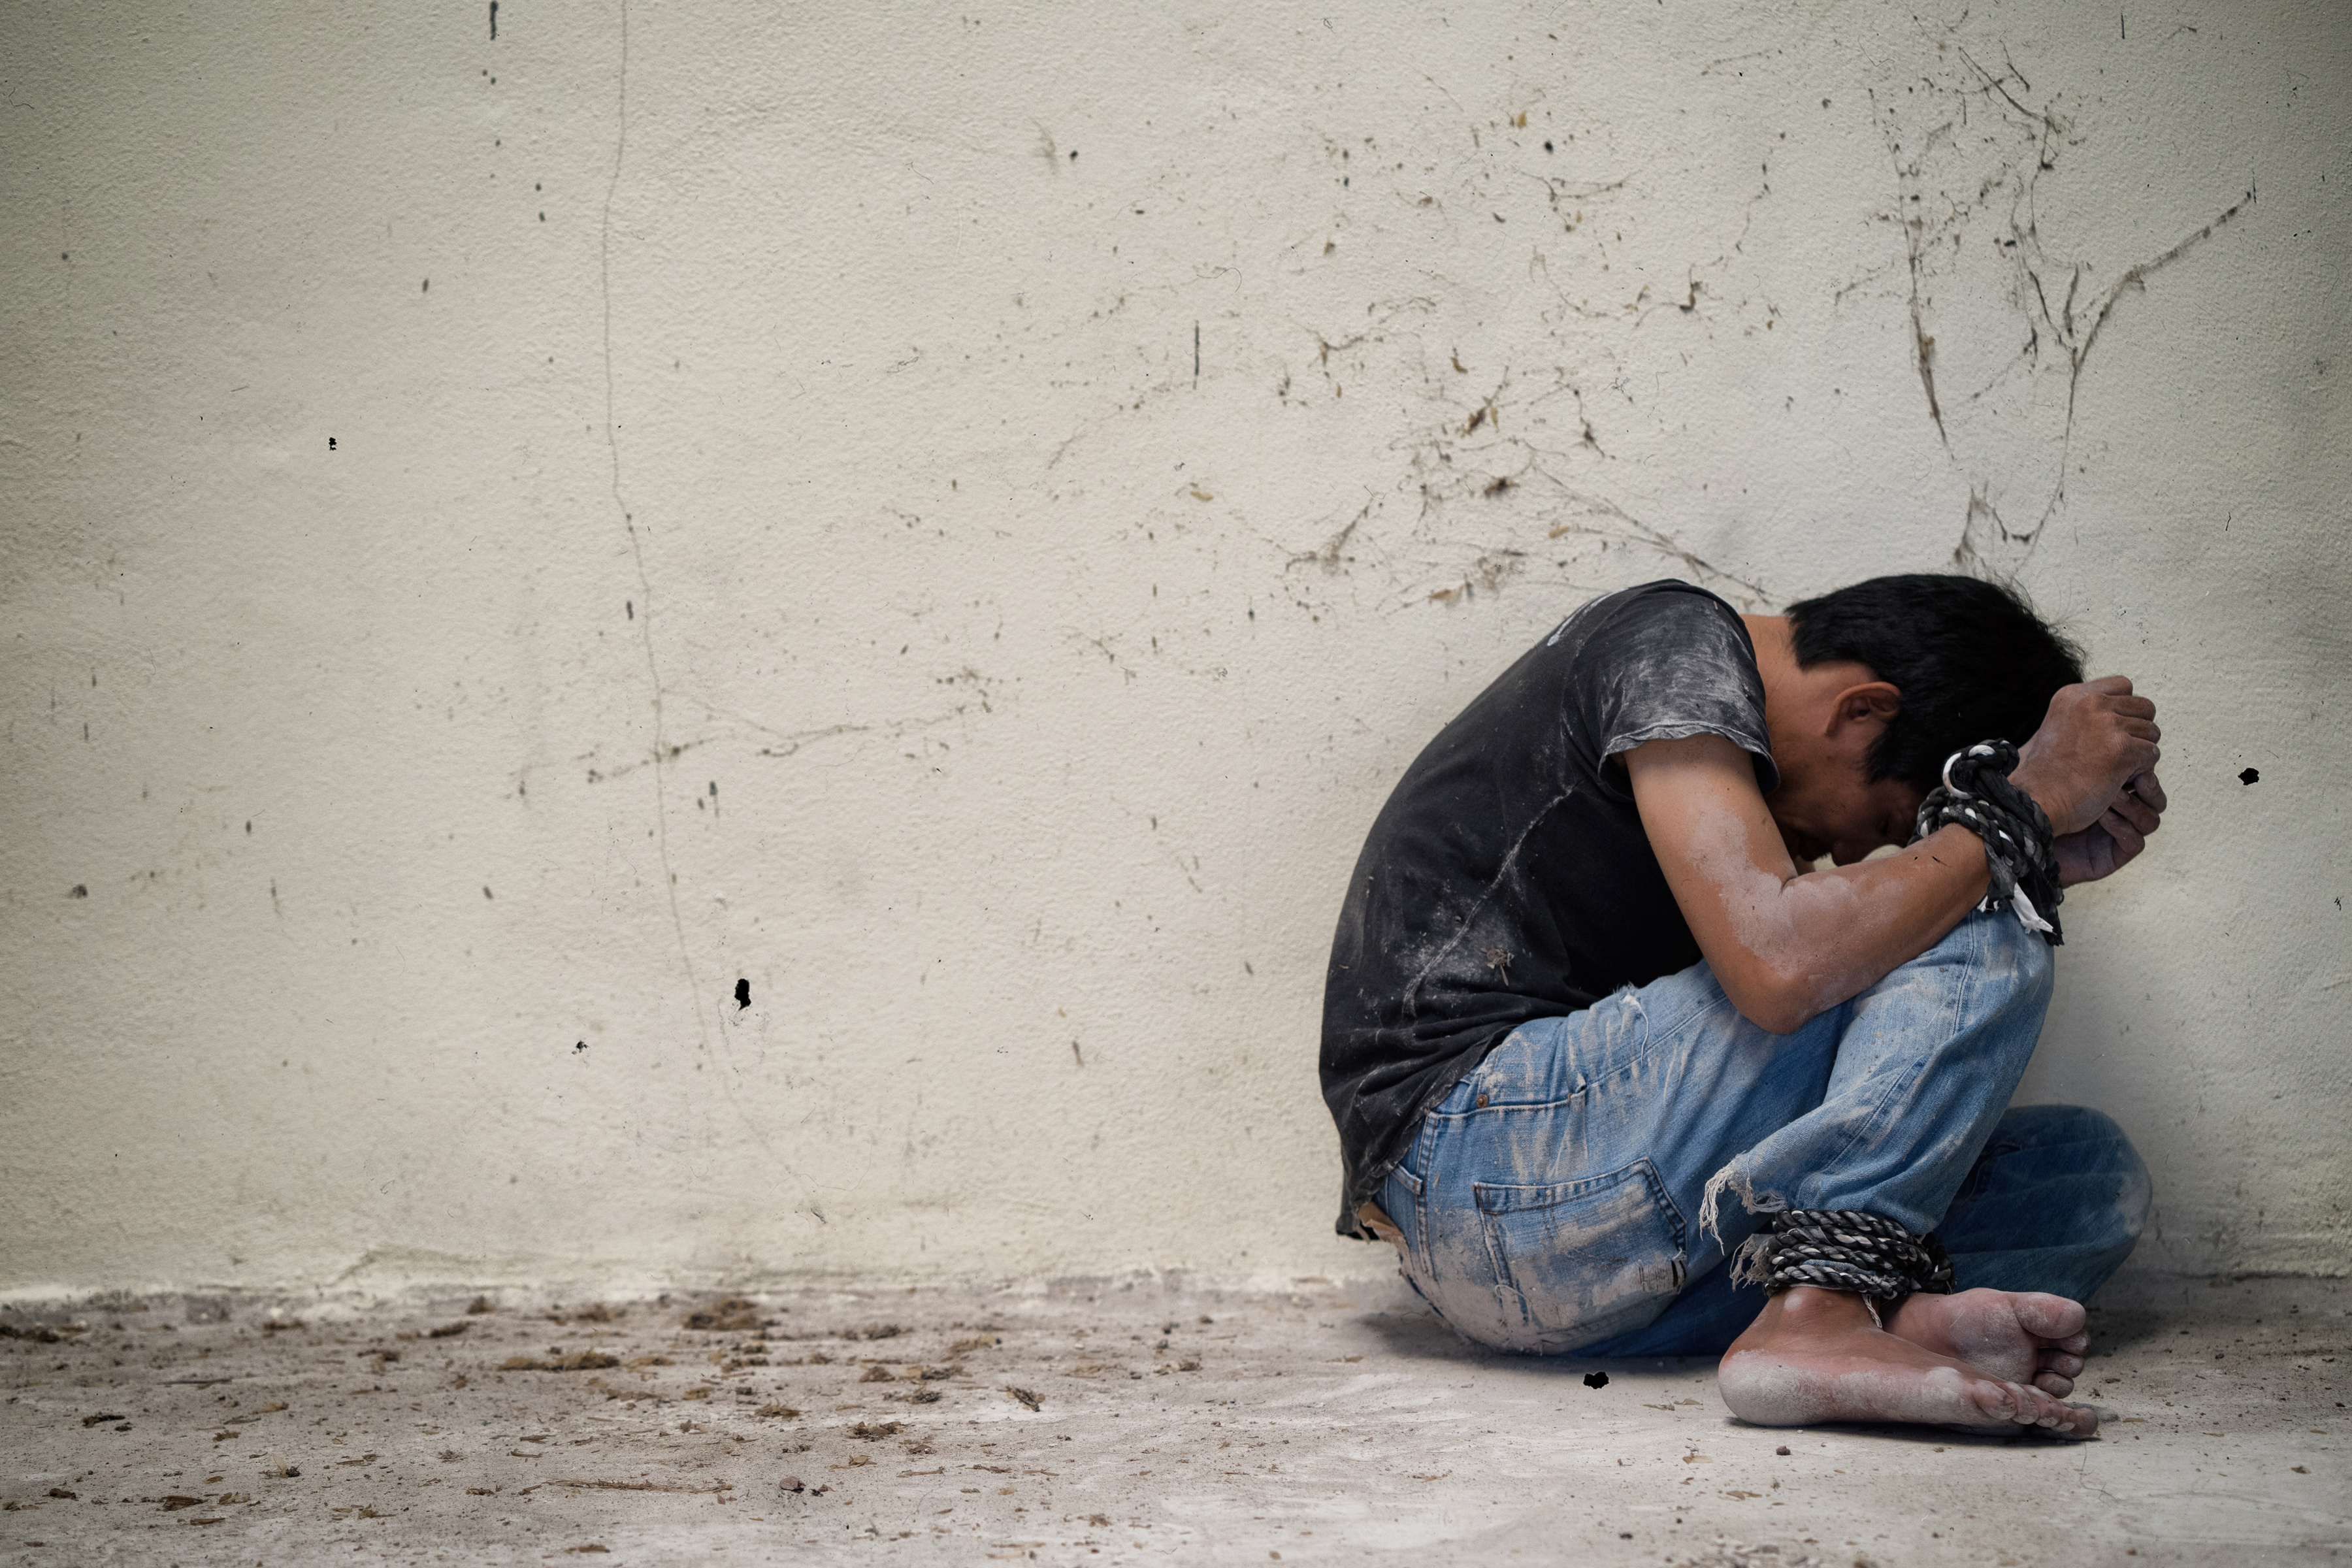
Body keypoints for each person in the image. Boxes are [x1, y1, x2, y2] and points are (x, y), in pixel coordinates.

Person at [1320, 576, 2164, 1435]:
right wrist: (2007, 829)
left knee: (2085, 1179)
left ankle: (1847, 1314)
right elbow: (1781, 963)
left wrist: (2028, 853)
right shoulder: (1673, 642)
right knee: (1968, 901)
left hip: (1570, 1253)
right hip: (1479, 1158)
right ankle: (1821, 1317)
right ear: (1862, 710)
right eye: (1887, 819)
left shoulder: (1725, 760)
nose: (1850, 851)